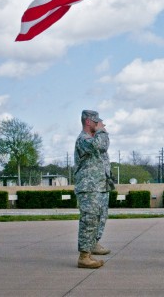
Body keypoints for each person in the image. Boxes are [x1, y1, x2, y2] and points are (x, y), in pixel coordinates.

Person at [74, 109, 112, 269]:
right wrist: (102, 131)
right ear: (88, 122)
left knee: (99, 218)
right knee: (89, 220)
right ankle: (84, 256)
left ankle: (93, 244)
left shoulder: (91, 138)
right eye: (96, 122)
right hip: (89, 187)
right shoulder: (84, 139)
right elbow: (101, 146)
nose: (99, 125)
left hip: (99, 186)